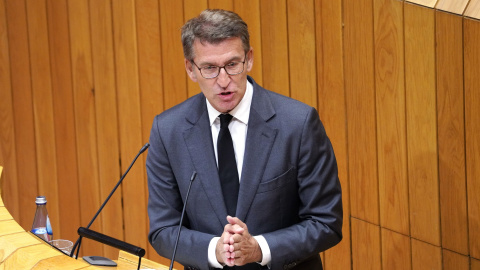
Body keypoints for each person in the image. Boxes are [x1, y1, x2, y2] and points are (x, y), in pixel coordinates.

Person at [146, 9, 342, 270]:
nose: (223, 81)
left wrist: (259, 248)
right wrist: (213, 250)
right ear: (190, 69)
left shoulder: (298, 124)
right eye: (209, 68)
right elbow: (163, 230)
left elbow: (325, 222)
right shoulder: (168, 130)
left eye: (232, 64)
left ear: (248, 59)